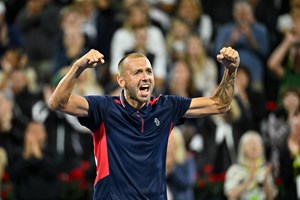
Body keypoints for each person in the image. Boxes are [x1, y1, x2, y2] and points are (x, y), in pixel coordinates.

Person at [48, 46, 240, 199]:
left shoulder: (166, 107)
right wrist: (78, 67)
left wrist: (231, 70)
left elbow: (220, 105)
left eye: (148, 71)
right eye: (137, 72)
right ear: (121, 81)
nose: (146, 77)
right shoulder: (105, 108)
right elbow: (58, 102)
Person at [224, 130, 278, 200]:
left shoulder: (265, 170)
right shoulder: (234, 170)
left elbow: (271, 197)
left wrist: (265, 181)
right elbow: (231, 196)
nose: (254, 145)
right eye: (250, 143)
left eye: (257, 143)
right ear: (242, 148)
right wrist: (249, 179)